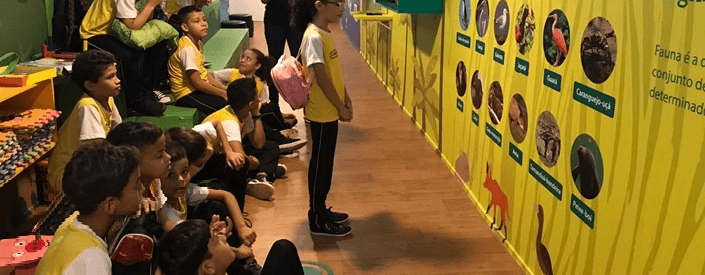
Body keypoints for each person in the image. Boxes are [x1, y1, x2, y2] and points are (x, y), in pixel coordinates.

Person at [35, 143, 143, 274]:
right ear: (110, 204)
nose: (142, 189)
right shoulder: (93, 260)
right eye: (137, 185)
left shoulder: (72, 222)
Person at [293, 0, 352, 236]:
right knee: (320, 165)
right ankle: (316, 217)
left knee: (326, 162)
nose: (342, 8)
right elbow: (322, 78)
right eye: (337, 3)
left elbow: (333, 72)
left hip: (330, 109)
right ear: (319, 5)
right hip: (321, 110)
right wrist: (340, 106)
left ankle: (321, 209)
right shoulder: (313, 37)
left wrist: (346, 97)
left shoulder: (324, 33)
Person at [48, 50, 122, 192]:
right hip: (68, 176)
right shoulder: (88, 106)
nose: (117, 80)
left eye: (116, 75)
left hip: (86, 168)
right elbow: (96, 153)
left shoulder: (108, 99)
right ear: (89, 85)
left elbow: (121, 133)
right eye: (110, 77)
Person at [202, 79, 286, 201]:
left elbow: (259, 143)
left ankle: (261, 176)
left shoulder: (243, 113)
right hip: (211, 163)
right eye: (257, 97)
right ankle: (261, 175)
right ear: (251, 103)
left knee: (271, 147)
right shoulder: (229, 121)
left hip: (228, 155)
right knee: (243, 164)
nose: (259, 100)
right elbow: (240, 158)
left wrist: (256, 114)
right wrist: (255, 163)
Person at [105, 122, 172, 274]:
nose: (169, 157)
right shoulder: (126, 207)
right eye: (160, 154)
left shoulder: (154, 184)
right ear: (133, 163)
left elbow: (164, 222)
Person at [80, 0, 168, 116]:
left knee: (159, 43)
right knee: (130, 54)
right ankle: (136, 100)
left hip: (119, 32)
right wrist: (151, 5)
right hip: (96, 34)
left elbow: (147, 19)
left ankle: (148, 92)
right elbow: (132, 25)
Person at [211, 48, 307, 154]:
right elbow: (209, 75)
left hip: (252, 112)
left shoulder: (260, 83)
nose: (243, 60)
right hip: (238, 111)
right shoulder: (232, 73)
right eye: (242, 57)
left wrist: (256, 109)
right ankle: (280, 135)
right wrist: (224, 90)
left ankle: (279, 134)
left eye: (248, 59)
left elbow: (263, 102)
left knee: (269, 110)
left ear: (257, 66)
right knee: (265, 115)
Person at [158, 219, 305, 275]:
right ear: (208, 267)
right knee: (283, 250)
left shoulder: (213, 268)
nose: (223, 236)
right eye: (216, 239)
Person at [169, 5, 230, 115]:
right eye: (197, 21)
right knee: (227, 107)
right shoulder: (187, 49)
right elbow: (197, 83)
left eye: (204, 20)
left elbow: (204, 75)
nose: (203, 24)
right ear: (185, 27)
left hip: (196, 89)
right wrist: (222, 93)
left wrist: (224, 89)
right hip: (186, 94)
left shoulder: (198, 43)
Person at [260, 0, 303, 131]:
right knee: (272, 64)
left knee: (302, 65)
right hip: (275, 20)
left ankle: (309, 108)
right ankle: (274, 110)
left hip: (299, 18)